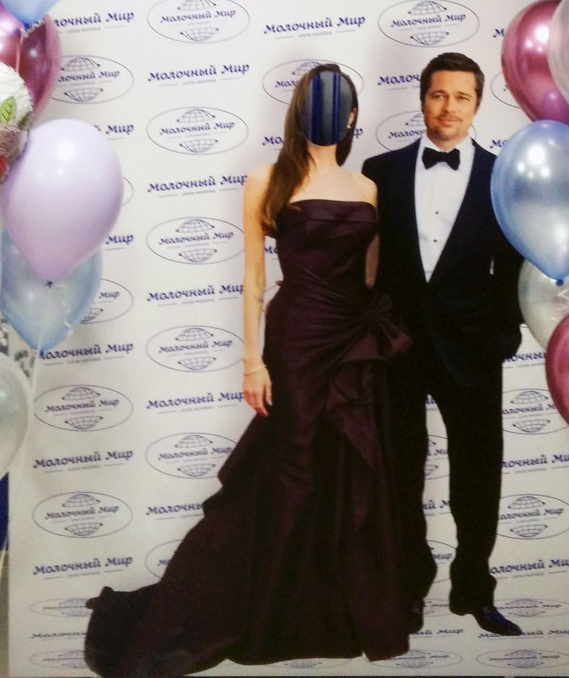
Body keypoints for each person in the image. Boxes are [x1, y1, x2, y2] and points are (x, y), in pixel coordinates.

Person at [84, 64, 427, 678]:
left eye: (340, 104)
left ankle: (327, 608)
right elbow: (253, 278)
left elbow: (371, 274)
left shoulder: (367, 188)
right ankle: (265, 608)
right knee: (292, 470)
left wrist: (376, 335)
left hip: (353, 341)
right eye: (318, 102)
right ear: (301, 111)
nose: (330, 113)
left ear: (353, 116)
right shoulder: (267, 179)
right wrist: (252, 359)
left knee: (343, 469)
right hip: (297, 341)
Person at [361, 52, 524, 637]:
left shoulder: (502, 176)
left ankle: (473, 588)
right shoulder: (377, 171)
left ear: (477, 105)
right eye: (438, 94)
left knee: (478, 472)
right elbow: (366, 261)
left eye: (461, 97)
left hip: (473, 346)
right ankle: (411, 584)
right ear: (422, 99)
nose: (448, 107)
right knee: (401, 472)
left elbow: (512, 265)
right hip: (398, 347)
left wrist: (503, 334)